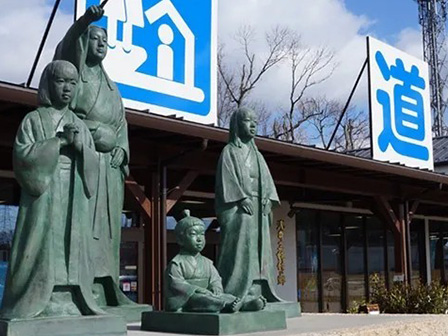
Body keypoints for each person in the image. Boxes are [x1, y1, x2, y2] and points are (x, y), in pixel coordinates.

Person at [0, 60, 102, 319]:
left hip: (74, 193)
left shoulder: (79, 123)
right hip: (45, 193)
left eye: (72, 83)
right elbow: (22, 156)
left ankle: (74, 297)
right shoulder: (33, 120)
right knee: (41, 242)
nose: (67, 88)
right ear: (49, 84)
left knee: (75, 244)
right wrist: (58, 142)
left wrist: (80, 148)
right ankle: (36, 300)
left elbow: (93, 164)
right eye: (61, 81)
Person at [53, 5, 131, 306]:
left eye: (106, 41)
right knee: (84, 225)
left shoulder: (113, 88)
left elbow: (122, 124)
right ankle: (82, 286)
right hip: (85, 159)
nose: (102, 45)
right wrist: (85, 21)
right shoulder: (78, 71)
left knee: (109, 231)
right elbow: (67, 47)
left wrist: (122, 148)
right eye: (96, 38)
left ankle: (107, 285)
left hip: (110, 168)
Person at [215, 107, 282, 302]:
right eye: (247, 121)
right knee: (241, 241)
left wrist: (268, 200)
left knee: (261, 246)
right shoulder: (229, 152)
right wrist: (241, 198)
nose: (252, 125)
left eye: (255, 122)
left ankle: (261, 286)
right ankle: (237, 287)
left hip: (259, 207)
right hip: (238, 207)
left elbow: (268, 183)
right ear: (237, 124)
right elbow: (225, 181)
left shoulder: (258, 156)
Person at [165, 210, 266, 313]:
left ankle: (245, 304)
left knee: (227, 296)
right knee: (202, 300)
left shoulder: (207, 262)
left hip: (208, 293)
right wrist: (196, 289)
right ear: (180, 239)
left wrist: (215, 287)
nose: (199, 239)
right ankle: (226, 306)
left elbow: (215, 279)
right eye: (193, 234)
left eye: (202, 234)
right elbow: (176, 284)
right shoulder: (177, 263)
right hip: (188, 298)